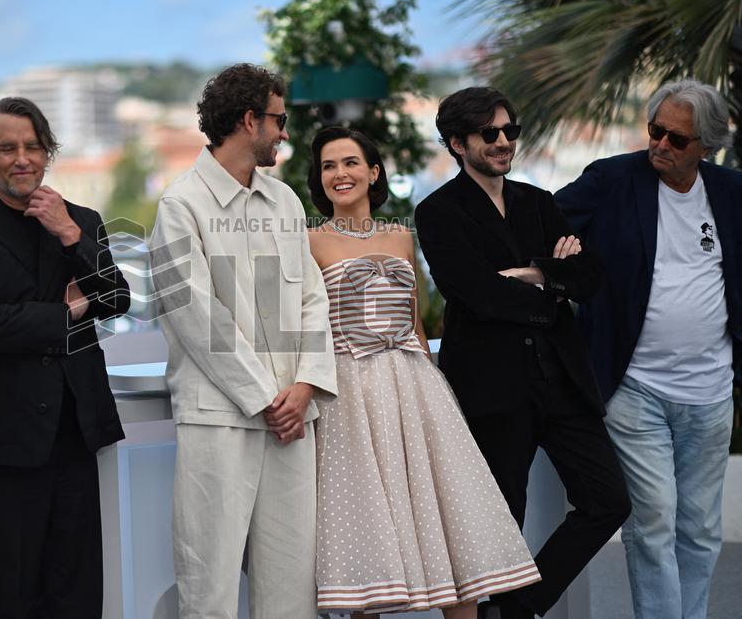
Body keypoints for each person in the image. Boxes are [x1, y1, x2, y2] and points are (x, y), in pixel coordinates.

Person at [414, 87, 631, 619]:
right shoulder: (437, 212)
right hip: (493, 389)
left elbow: (590, 275)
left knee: (608, 502)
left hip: (563, 381)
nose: (505, 141)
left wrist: (537, 275)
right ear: (457, 142)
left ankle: (515, 610)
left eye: (511, 131)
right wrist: (553, 286)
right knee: (502, 521)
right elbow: (476, 294)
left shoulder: (538, 200)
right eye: (490, 134)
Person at [306, 126, 540, 618]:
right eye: (328, 166)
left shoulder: (401, 236)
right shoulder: (308, 241)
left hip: (418, 388)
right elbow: (307, 327)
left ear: (373, 173)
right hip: (351, 394)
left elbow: (414, 322)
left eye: (350, 163)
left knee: (455, 529)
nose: (339, 174)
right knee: (366, 529)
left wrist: (434, 384)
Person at [148, 63, 338, 617]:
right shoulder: (180, 205)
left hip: (291, 418)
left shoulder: (284, 203)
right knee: (208, 584)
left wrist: (303, 386)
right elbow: (196, 317)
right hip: (219, 419)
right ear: (250, 119)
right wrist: (266, 398)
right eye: (279, 120)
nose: (285, 132)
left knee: (293, 585)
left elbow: (312, 300)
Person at [0, 97, 129, 617]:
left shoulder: (81, 220)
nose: (22, 158)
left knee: (78, 590)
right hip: (3, 439)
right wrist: (64, 315)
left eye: (33, 146)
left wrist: (69, 235)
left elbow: (117, 298)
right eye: (7, 148)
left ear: (47, 153)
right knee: (8, 592)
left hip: (75, 431)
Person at [554, 79, 741, 619]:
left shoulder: (731, 192)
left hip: (711, 390)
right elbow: (544, 222)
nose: (659, 144)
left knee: (701, 527)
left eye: (675, 139)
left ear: (707, 145)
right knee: (653, 519)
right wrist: (558, 263)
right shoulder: (613, 179)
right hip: (635, 387)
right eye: (654, 130)